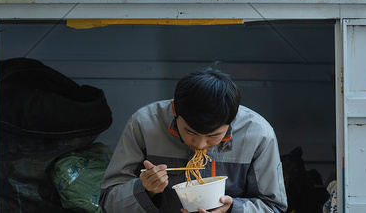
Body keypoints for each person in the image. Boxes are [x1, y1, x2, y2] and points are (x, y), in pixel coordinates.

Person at [100, 68, 287, 213]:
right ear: (174, 110)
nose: (199, 145)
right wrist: (145, 190)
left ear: (232, 121)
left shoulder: (258, 134)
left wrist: (232, 209)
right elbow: (107, 201)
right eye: (189, 132)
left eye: (213, 136)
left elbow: (274, 207)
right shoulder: (143, 124)